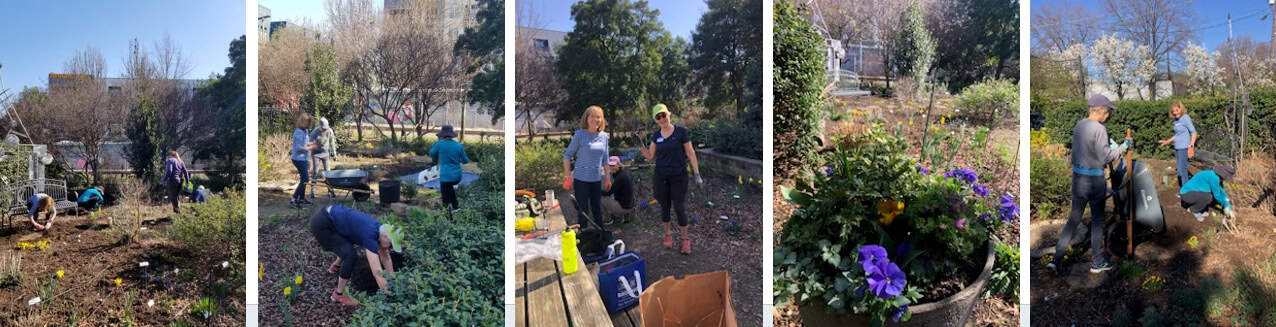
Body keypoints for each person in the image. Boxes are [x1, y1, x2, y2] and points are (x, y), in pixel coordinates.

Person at [1051, 95, 1130, 274]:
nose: (1109, 116)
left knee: (1074, 219)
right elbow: (1106, 157)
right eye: (1108, 112)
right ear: (1100, 110)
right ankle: (1097, 262)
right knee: (1097, 222)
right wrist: (1123, 147)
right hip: (1094, 182)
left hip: (1078, 179)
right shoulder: (1100, 129)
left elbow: (1085, 150)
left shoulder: (1080, 125)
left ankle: (1056, 260)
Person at [639, 104, 703, 255]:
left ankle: (685, 240)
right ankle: (667, 235)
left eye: (663, 115)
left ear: (669, 115)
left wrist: (697, 174)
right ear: (656, 120)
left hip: (679, 176)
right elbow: (650, 157)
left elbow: (690, 153)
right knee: (665, 207)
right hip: (661, 177)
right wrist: (640, 144)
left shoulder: (681, 132)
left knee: (679, 207)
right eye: (658, 117)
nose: (661, 119)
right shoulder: (656, 135)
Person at [310, 204, 404, 306]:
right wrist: (391, 296)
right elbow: (378, 274)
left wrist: (393, 279)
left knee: (349, 241)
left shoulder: (380, 229)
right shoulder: (370, 234)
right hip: (323, 224)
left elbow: (385, 257)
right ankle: (338, 295)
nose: (390, 248)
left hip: (331, 217)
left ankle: (335, 266)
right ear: (385, 236)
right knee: (350, 255)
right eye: (391, 244)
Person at [562, 106, 610, 229]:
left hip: (596, 180)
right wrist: (568, 177)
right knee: (583, 212)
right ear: (587, 118)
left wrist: (608, 178)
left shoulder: (604, 136)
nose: (596, 119)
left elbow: (605, 159)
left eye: (598, 116)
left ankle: (601, 235)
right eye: (592, 116)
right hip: (581, 181)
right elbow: (567, 155)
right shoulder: (580, 135)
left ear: (602, 119)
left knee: (597, 210)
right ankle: (583, 238)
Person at [428, 125, 470, 211]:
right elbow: (465, 161)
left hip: (445, 177)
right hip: (457, 177)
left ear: (442, 135)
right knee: (450, 189)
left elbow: (431, 154)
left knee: (445, 197)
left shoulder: (439, 144)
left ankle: (448, 216)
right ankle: (456, 207)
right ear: (452, 135)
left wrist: (437, 144)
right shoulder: (459, 145)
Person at [1159, 101, 1198, 187]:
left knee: (1182, 171)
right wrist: (1167, 141)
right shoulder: (1176, 120)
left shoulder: (1185, 118)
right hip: (1177, 148)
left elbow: (1194, 132)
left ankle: (1186, 191)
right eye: (1173, 111)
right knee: (1180, 171)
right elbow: (1177, 134)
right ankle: (1188, 186)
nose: (1175, 113)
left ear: (1181, 109)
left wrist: (1191, 146)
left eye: (1177, 110)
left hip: (1184, 148)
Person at [291, 114, 318, 209]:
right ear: (303, 122)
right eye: (308, 123)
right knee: (305, 179)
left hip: (304, 159)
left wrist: (313, 143)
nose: (309, 125)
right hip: (298, 159)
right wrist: (311, 147)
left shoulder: (305, 131)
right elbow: (299, 148)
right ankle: (293, 199)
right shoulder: (298, 132)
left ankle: (301, 198)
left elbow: (306, 143)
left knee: (304, 179)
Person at [601, 156, 634, 225]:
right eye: (610, 165)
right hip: (629, 204)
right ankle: (625, 216)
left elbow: (609, 193)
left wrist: (597, 191)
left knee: (600, 198)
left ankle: (608, 219)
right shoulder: (623, 173)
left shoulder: (620, 177)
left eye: (613, 165)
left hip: (624, 207)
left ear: (619, 165)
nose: (611, 167)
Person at [310, 118, 336, 198]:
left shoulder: (329, 131)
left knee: (328, 172)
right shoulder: (314, 132)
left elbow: (332, 142)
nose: (325, 129)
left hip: (325, 154)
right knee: (315, 172)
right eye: (323, 127)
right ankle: (313, 191)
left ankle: (330, 191)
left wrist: (334, 153)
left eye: (326, 127)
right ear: (320, 126)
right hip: (316, 154)